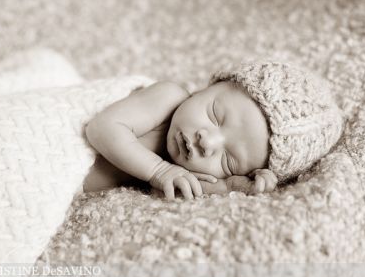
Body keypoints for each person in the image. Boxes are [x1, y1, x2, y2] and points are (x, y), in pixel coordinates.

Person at [83, 62, 344, 199]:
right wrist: (159, 171)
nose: (208, 142)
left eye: (229, 160)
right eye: (215, 115)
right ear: (209, 87)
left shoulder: (179, 170)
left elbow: (183, 187)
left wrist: (232, 186)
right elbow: (102, 128)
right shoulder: (168, 97)